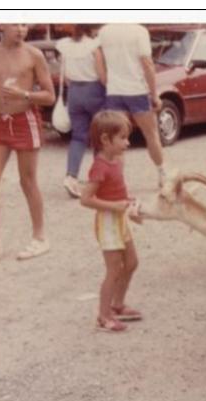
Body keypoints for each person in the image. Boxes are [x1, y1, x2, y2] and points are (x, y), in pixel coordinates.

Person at [0, 23, 56, 260]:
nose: (21, 29)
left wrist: (25, 95)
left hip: (25, 121)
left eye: (24, 24)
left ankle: (40, 237)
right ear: (0, 23)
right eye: (15, 24)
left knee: (27, 181)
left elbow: (50, 96)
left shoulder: (33, 55)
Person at [80, 111, 143, 332]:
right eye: (123, 138)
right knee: (114, 268)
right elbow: (86, 199)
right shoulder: (99, 166)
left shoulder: (116, 160)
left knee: (132, 262)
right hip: (108, 221)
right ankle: (103, 315)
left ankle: (117, 305)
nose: (127, 142)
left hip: (119, 217)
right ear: (106, 140)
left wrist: (127, 201)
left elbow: (116, 189)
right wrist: (114, 206)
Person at [98, 23, 166, 186]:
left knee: (117, 138)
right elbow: (147, 64)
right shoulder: (139, 31)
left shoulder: (105, 31)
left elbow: (99, 60)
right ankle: (162, 173)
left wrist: (106, 81)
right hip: (137, 91)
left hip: (114, 91)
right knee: (151, 134)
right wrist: (154, 94)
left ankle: (117, 180)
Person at [56, 24, 107, 198]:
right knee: (101, 136)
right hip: (94, 91)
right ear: (91, 29)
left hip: (74, 92)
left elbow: (67, 78)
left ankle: (71, 177)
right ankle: (98, 180)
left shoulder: (66, 47)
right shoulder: (94, 47)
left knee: (78, 136)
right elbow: (102, 76)